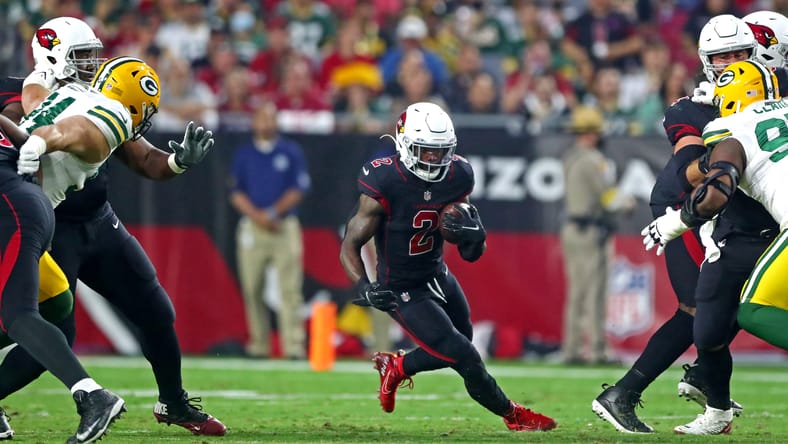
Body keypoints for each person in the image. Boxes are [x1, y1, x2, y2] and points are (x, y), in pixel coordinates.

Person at [0, 17, 226, 437]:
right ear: (53, 58)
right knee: (43, 322)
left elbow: (141, 157)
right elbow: (48, 124)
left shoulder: (97, 100)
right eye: (83, 57)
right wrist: (41, 138)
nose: (93, 66)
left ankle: (173, 402)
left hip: (95, 219)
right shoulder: (22, 93)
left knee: (154, 308)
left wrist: (178, 162)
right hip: (42, 223)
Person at [339, 102, 557, 432]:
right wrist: (364, 286)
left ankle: (397, 365)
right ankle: (514, 416)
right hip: (401, 286)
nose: (434, 160)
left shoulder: (458, 174)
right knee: (466, 356)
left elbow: (471, 253)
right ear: (406, 145)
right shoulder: (384, 178)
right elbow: (350, 245)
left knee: (460, 342)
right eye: (426, 151)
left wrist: (475, 236)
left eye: (441, 152)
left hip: (438, 274)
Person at [591, 14, 760, 433]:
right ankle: (624, 394)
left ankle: (707, 384)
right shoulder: (694, 108)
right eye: (723, 57)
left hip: (723, 213)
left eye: (741, 54)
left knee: (726, 299)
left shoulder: (769, 96)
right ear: (706, 61)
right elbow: (687, 170)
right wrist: (728, 156)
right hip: (683, 210)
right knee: (702, 305)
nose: (733, 63)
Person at [0, 59, 150, 444]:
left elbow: (72, 130)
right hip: (29, 204)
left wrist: (38, 141)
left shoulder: (104, 113)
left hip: (11, 204)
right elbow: (36, 105)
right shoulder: (69, 96)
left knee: (18, 314)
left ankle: (92, 395)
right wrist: (38, 78)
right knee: (57, 317)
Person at [642, 59, 786, 431]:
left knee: (754, 311)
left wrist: (674, 222)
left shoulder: (730, 127)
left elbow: (716, 188)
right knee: (708, 328)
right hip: (739, 236)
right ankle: (718, 411)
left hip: (773, 231)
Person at [229, 102, 310, 359]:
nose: (266, 123)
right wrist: (258, 216)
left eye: (271, 118)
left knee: (290, 288)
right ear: (254, 122)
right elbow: (235, 192)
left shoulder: (290, 151)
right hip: (253, 226)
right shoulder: (244, 154)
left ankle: (293, 346)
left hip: (283, 225)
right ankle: (258, 345)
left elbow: (298, 188)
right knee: (252, 287)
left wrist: (273, 213)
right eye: (262, 118)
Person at [560, 105, 630, 365]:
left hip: (573, 228)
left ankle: (573, 348)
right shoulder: (593, 160)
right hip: (588, 230)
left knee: (577, 291)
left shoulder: (570, 157)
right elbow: (608, 197)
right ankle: (597, 349)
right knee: (594, 291)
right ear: (591, 133)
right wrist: (628, 203)